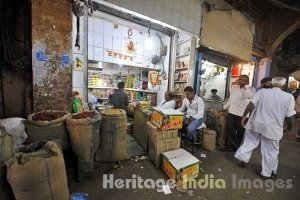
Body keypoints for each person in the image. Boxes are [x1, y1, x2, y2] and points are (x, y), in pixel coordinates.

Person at [235, 77, 295, 179]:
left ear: (272, 83)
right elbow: (290, 117)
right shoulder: (289, 97)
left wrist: (244, 116)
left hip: (256, 123)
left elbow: (251, 104)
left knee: (250, 141)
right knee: (270, 150)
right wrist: (289, 128)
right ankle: (267, 173)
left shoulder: (262, 92)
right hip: (273, 128)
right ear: (284, 85)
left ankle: (243, 159)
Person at [223, 75, 256, 151]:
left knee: (240, 131)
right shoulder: (235, 88)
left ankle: (234, 146)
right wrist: (225, 108)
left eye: (242, 80)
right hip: (232, 112)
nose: (240, 81)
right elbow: (231, 99)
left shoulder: (251, 89)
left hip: (243, 115)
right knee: (230, 128)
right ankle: (235, 146)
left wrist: (246, 86)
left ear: (247, 81)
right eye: (239, 79)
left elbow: (246, 96)